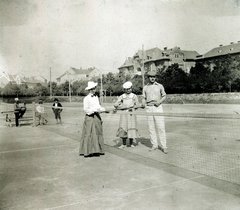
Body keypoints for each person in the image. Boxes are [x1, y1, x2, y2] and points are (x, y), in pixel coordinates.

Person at [142, 71, 168, 154]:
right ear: (148, 78)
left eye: (154, 77)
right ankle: (154, 145)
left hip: (158, 108)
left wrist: (159, 102)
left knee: (161, 127)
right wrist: (143, 103)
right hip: (149, 108)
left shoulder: (160, 86)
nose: (152, 78)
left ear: (156, 77)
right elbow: (143, 97)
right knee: (151, 127)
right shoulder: (145, 87)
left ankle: (164, 146)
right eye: (150, 77)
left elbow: (164, 96)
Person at [79, 81, 106, 158]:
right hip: (90, 117)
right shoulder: (86, 98)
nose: (94, 90)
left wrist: (102, 109)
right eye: (93, 89)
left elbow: (98, 106)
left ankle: (97, 150)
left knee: (98, 132)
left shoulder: (96, 97)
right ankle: (88, 151)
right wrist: (94, 110)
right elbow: (86, 109)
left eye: (94, 88)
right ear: (89, 89)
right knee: (89, 133)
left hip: (96, 116)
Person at [114, 81, 140, 148]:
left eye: (129, 88)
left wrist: (133, 108)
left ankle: (131, 143)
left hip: (131, 114)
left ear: (131, 88)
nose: (128, 90)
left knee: (131, 127)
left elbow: (137, 105)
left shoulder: (134, 96)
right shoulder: (122, 96)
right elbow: (116, 104)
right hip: (124, 114)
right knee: (123, 127)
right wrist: (119, 106)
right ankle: (124, 144)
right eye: (126, 89)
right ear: (124, 89)